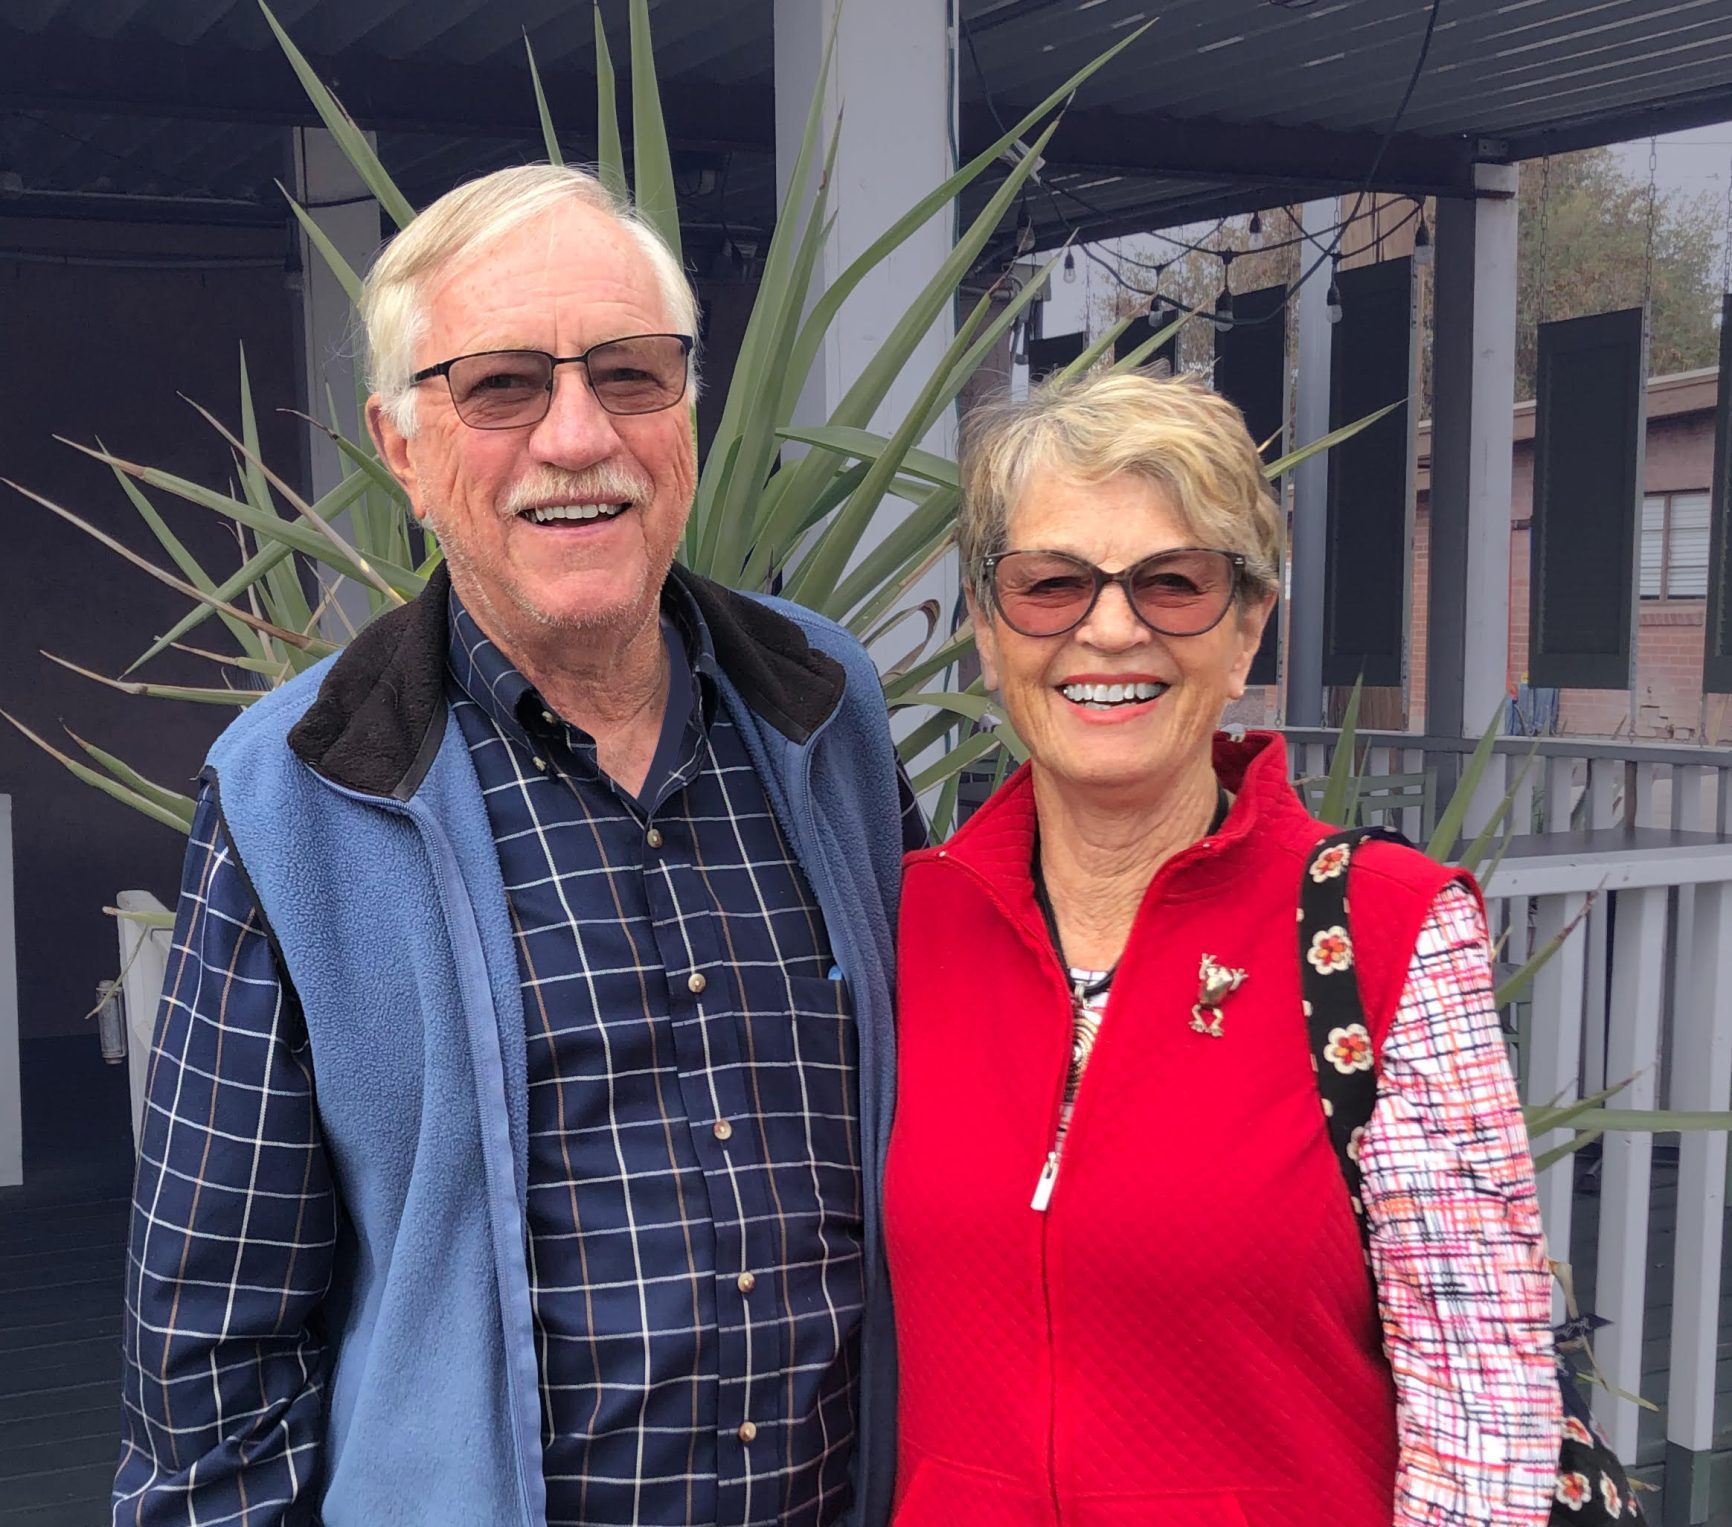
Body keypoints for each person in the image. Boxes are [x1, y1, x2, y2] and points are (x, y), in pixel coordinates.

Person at [114, 164, 920, 1527]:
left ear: (688, 410)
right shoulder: (295, 796)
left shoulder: (824, 714)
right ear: (402, 444)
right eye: (499, 385)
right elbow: (212, 1349)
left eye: (630, 373)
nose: (575, 434)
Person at [884, 372, 1560, 1527]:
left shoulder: (1381, 931)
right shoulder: (907, 924)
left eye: (1173, 583)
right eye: (1049, 585)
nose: (1109, 627)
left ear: (1247, 624)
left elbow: (1484, 1418)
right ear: (990, 634)